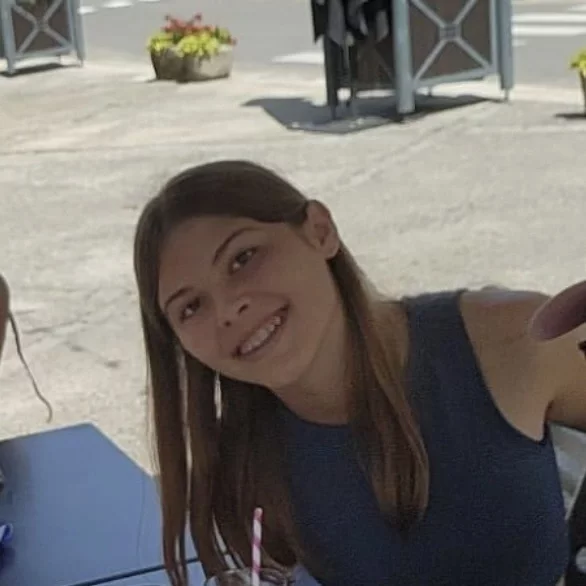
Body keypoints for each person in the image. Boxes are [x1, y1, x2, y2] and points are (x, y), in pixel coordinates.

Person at [133, 160, 586, 586]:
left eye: (243, 258)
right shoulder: (241, 464)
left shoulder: (512, 339)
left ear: (320, 231)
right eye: (190, 306)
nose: (228, 309)